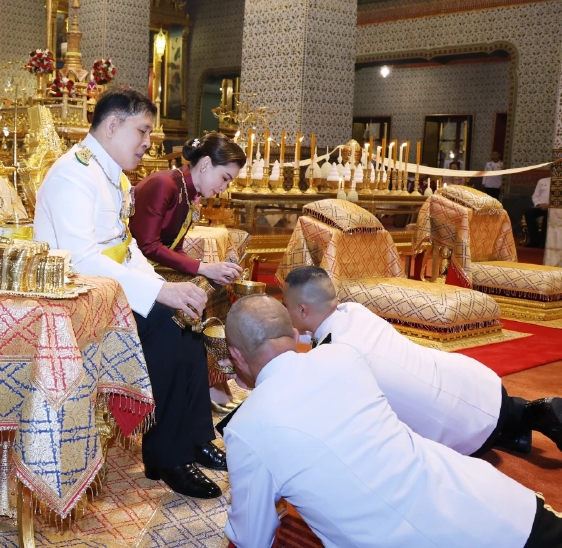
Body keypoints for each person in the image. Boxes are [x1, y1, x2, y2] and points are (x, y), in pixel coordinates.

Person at [222, 294, 562, 548]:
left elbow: (252, 537)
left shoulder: (246, 428)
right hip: (504, 506)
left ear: (236, 355)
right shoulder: (343, 355)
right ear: (296, 335)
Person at [33, 88, 224, 499]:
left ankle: (191, 438)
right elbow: (79, 258)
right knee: (168, 330)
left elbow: (127, 245)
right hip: (73, 300)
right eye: (143, 131)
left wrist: (168, 290)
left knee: (188, 324)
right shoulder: (73, 173)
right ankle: (167, 456)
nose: (148, 143)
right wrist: (159, 292)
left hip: (108, 293)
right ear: (112, 125)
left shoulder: (112, 175)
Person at [281, 266, 562, 456]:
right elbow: (329, 339)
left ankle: (519, 426)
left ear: (302, 309)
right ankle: (530, 415)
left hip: (461, 432)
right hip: (480, 382)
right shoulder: (353, 311)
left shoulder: (333, 357)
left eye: (287, 305)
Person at [130, 133, 245, 284]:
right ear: (205, 164)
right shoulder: (165, 184)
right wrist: (203, 268)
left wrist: (206, 269)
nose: (224, 188)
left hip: (149, 268)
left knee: (209, 285)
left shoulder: (187, 191)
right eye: (224, 178)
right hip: (131, 269)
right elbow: (148, 246)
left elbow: (175, 248)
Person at [525, 177, 550, 248]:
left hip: (555, 209)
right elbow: (535, 196)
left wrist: (550, 206)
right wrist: (539, 204)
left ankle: (543, 242)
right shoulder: (542, 181)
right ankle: (534, 241)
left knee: (547, 216)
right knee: (529, 212)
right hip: (541, 207)